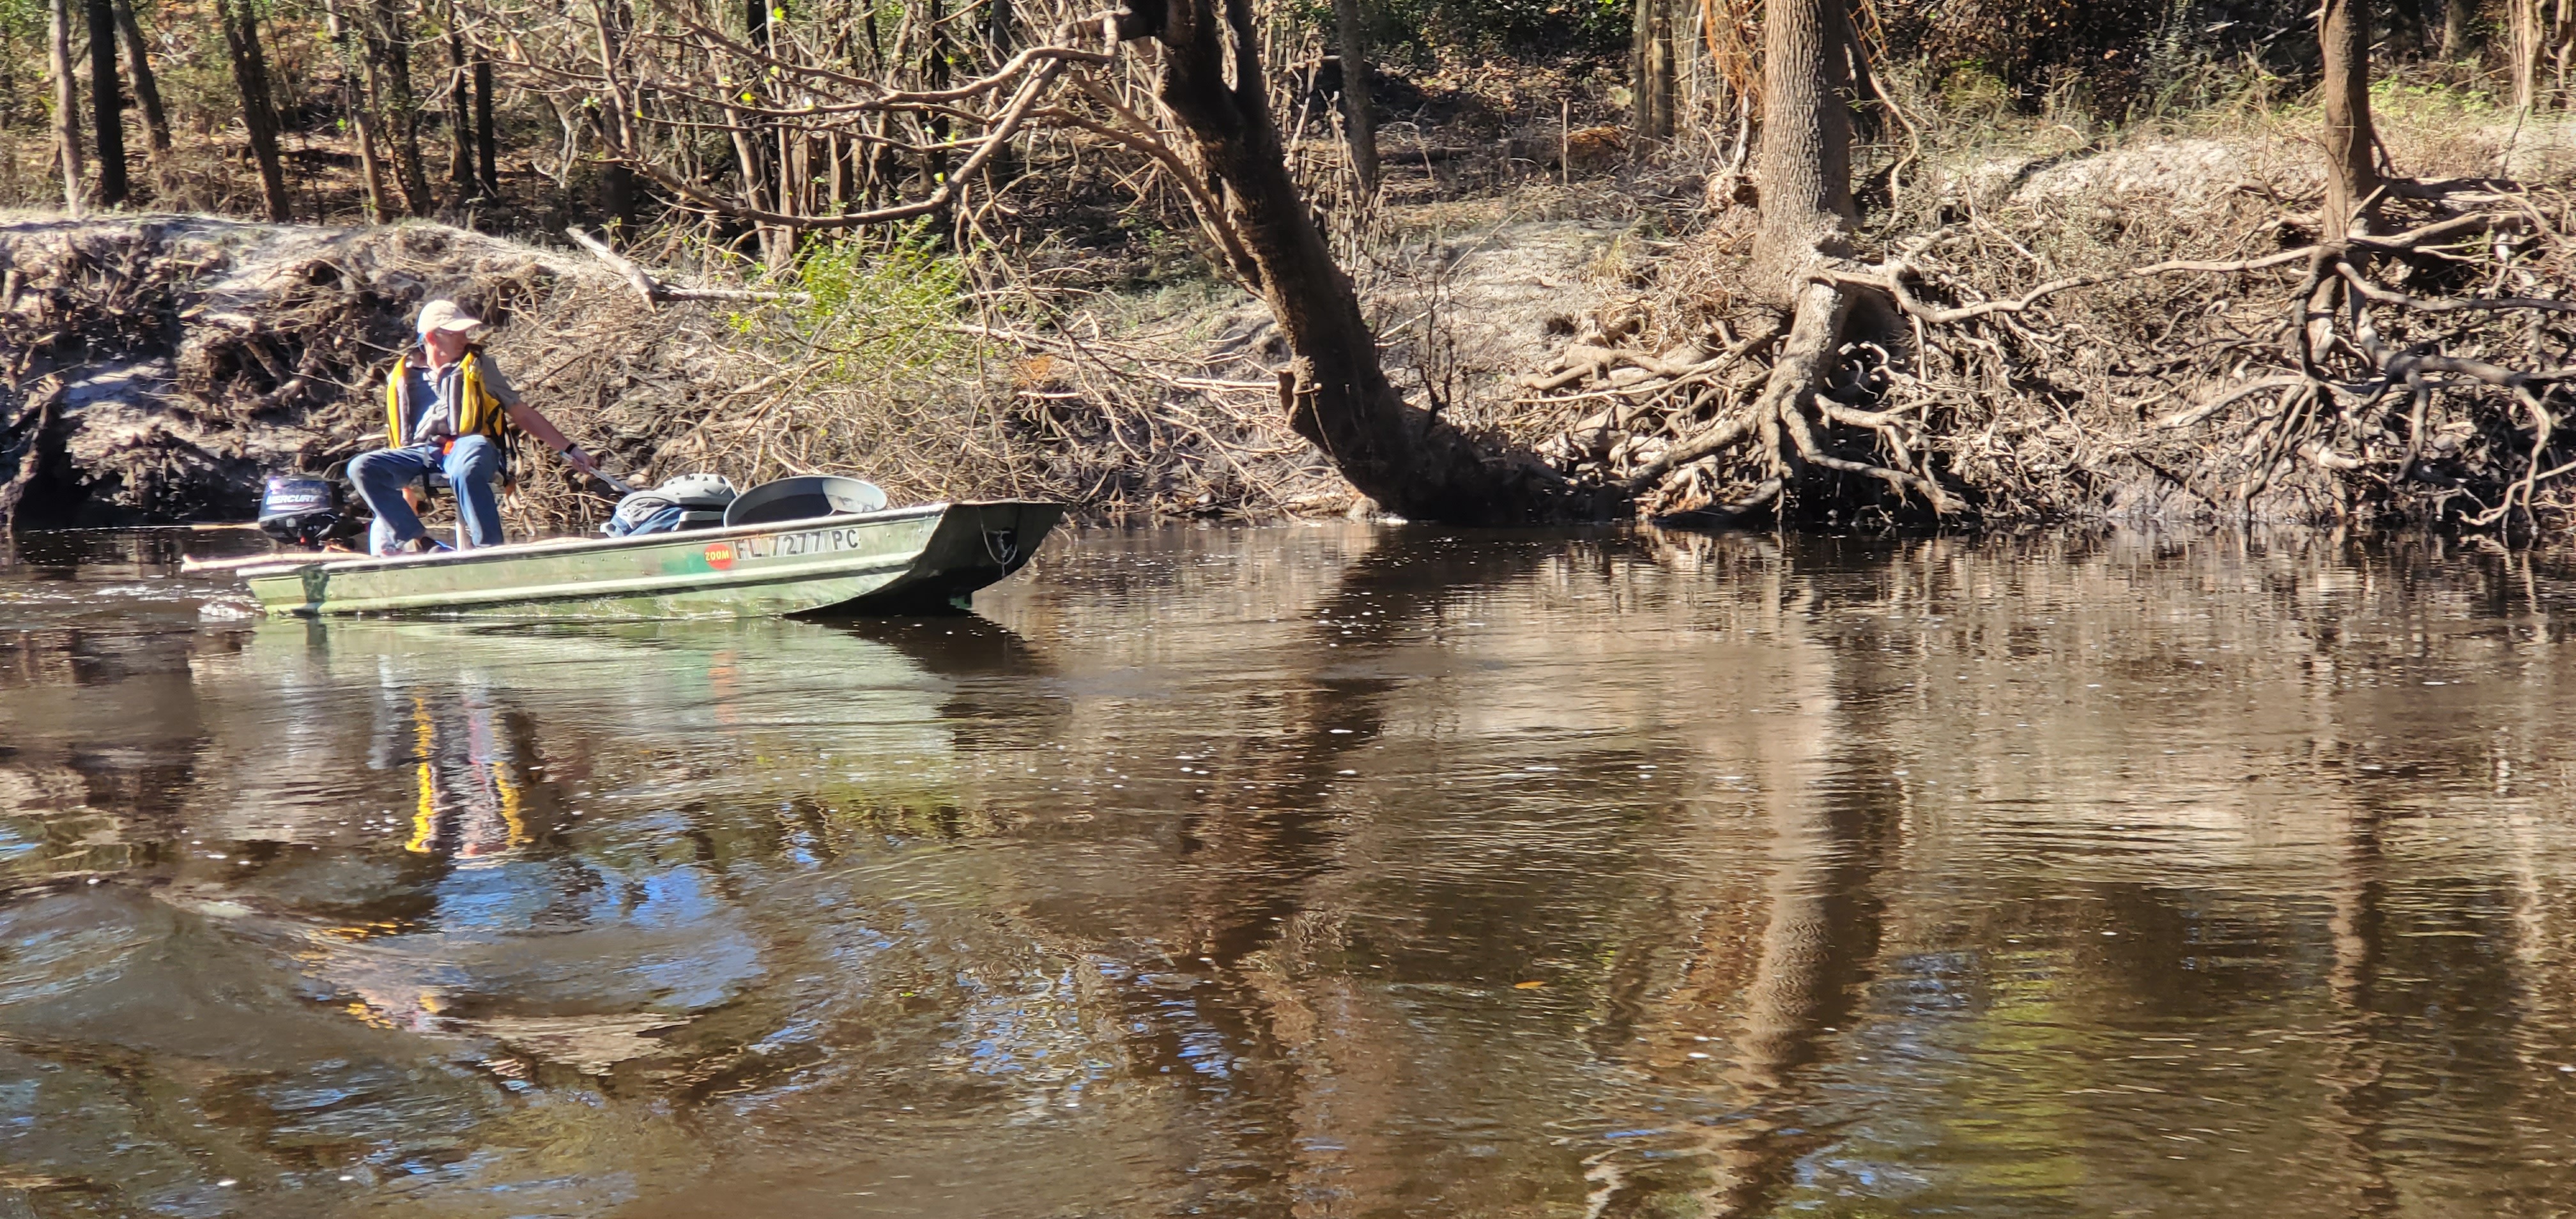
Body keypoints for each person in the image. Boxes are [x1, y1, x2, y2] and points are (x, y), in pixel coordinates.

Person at [351, 300, 602, 555]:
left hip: (467, 445)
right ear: (431, 338)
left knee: (469, 461)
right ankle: (425, 543)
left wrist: (571, 449)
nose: (464, 339)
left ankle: (488, 550)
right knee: (362, 467)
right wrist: (409, 496)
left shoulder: (480, 366)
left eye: (464, 333)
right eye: (456, 334)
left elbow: (522, 413)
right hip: (419, 452)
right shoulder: (403, 374)